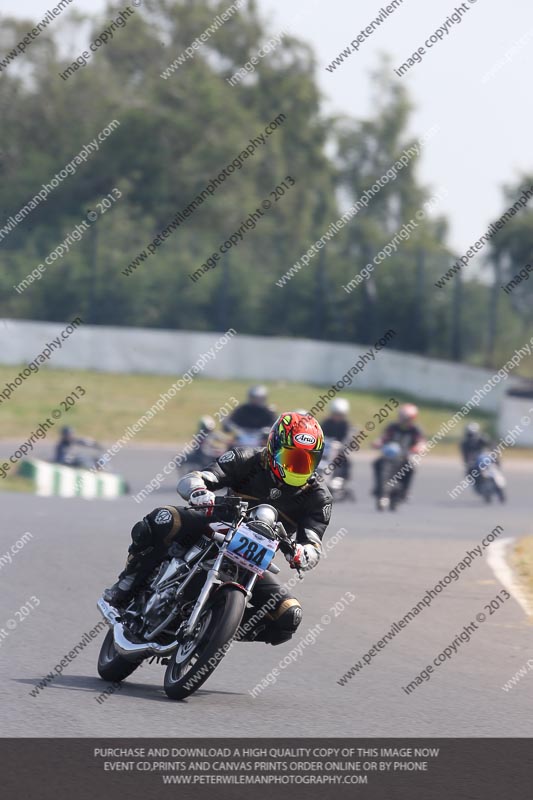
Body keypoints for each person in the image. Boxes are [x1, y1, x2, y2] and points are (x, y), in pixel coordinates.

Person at [104, 412, 333, 646]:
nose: (298, 467)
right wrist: (199, 490)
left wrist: (304, 554)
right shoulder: (246, 458)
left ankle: (214, 627)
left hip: (252, 561)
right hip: (217, 526)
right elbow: (200, 476)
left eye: (307, 461)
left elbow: (313, 542)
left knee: (289, 616)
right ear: (274, 447)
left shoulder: (318, 497)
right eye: (292, 458)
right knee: (163, 518)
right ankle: (128, 582)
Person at [372, 404, 425, 499]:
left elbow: (421, 442)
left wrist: (418, 447)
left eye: (406, 419)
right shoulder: (392, 427)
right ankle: (378, 487)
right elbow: (384, 438)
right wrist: (378, 443)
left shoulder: (415, 430)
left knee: (411, 467)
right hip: (390, 455)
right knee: (377, 463)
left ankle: (406, 490)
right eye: (401, 417)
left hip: (405, 456)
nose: (403, 420)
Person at [321, 398, 352, 480]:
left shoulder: (346, 425)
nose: (337, 416)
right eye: (335, 414)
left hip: (338, 450)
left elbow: (348, 438)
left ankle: (339, 478)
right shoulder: (326, 423)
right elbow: (320, 434)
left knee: (343, 459)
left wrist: (342, 445)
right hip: (325, 449)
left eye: (340, 414)